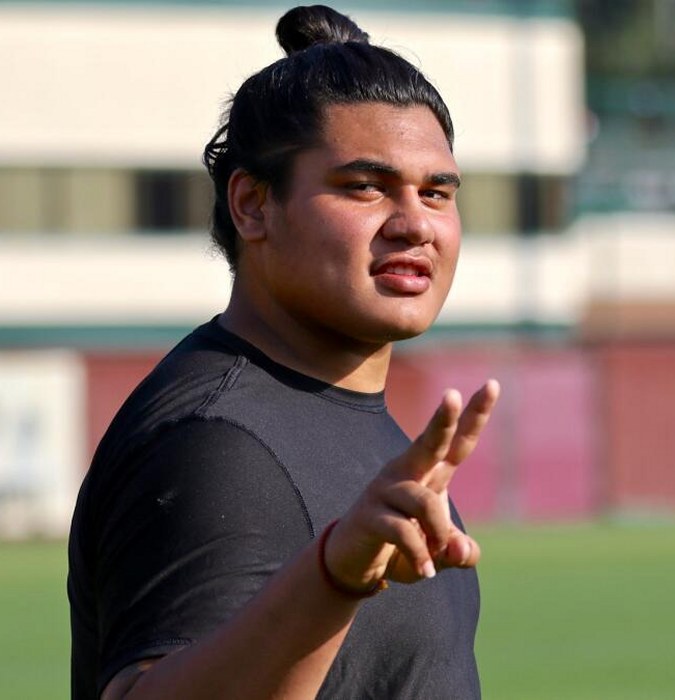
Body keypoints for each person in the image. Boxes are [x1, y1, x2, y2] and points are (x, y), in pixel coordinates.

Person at [68, 5, 500, 699]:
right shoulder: (218, 443)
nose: (415, 224)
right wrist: (332, 575)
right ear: (252, 205)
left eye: (435, 192)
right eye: (365, 187)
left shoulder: (335, 410)